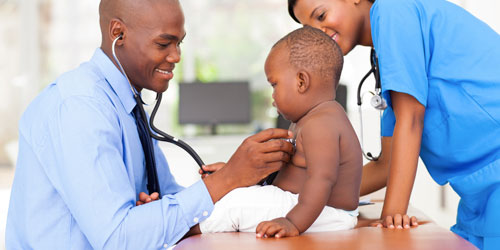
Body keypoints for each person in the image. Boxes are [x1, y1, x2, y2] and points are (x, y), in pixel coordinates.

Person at [5, 0, 295, 249]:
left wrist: (237, 181)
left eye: (179, 43)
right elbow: (117, 238)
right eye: (163, 43)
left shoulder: (127, 104)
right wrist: (228, 178)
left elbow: (166, 197)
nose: (176, 56)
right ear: (118, 34)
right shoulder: (79, 107)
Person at [287, 0, 500, 249]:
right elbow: (385, 166)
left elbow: (410, 119)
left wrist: (392, 219)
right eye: (310, 28)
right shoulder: (386, 53)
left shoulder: (392, 9)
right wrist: (305, 198)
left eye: (321, 15)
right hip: (479, 198)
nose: (318, 32)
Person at [149, 26, 362, 238]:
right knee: (234, 195)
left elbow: (321, 180)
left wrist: (292, 222)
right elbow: (293, 173)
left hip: (323, 212)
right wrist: (238, 176)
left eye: (274, 85)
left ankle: (176, 228)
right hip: (305, 205)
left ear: (301, 82)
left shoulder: (321, 124)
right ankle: (168, 215)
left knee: (237, 205)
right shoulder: (309, 119)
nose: (272, 96)